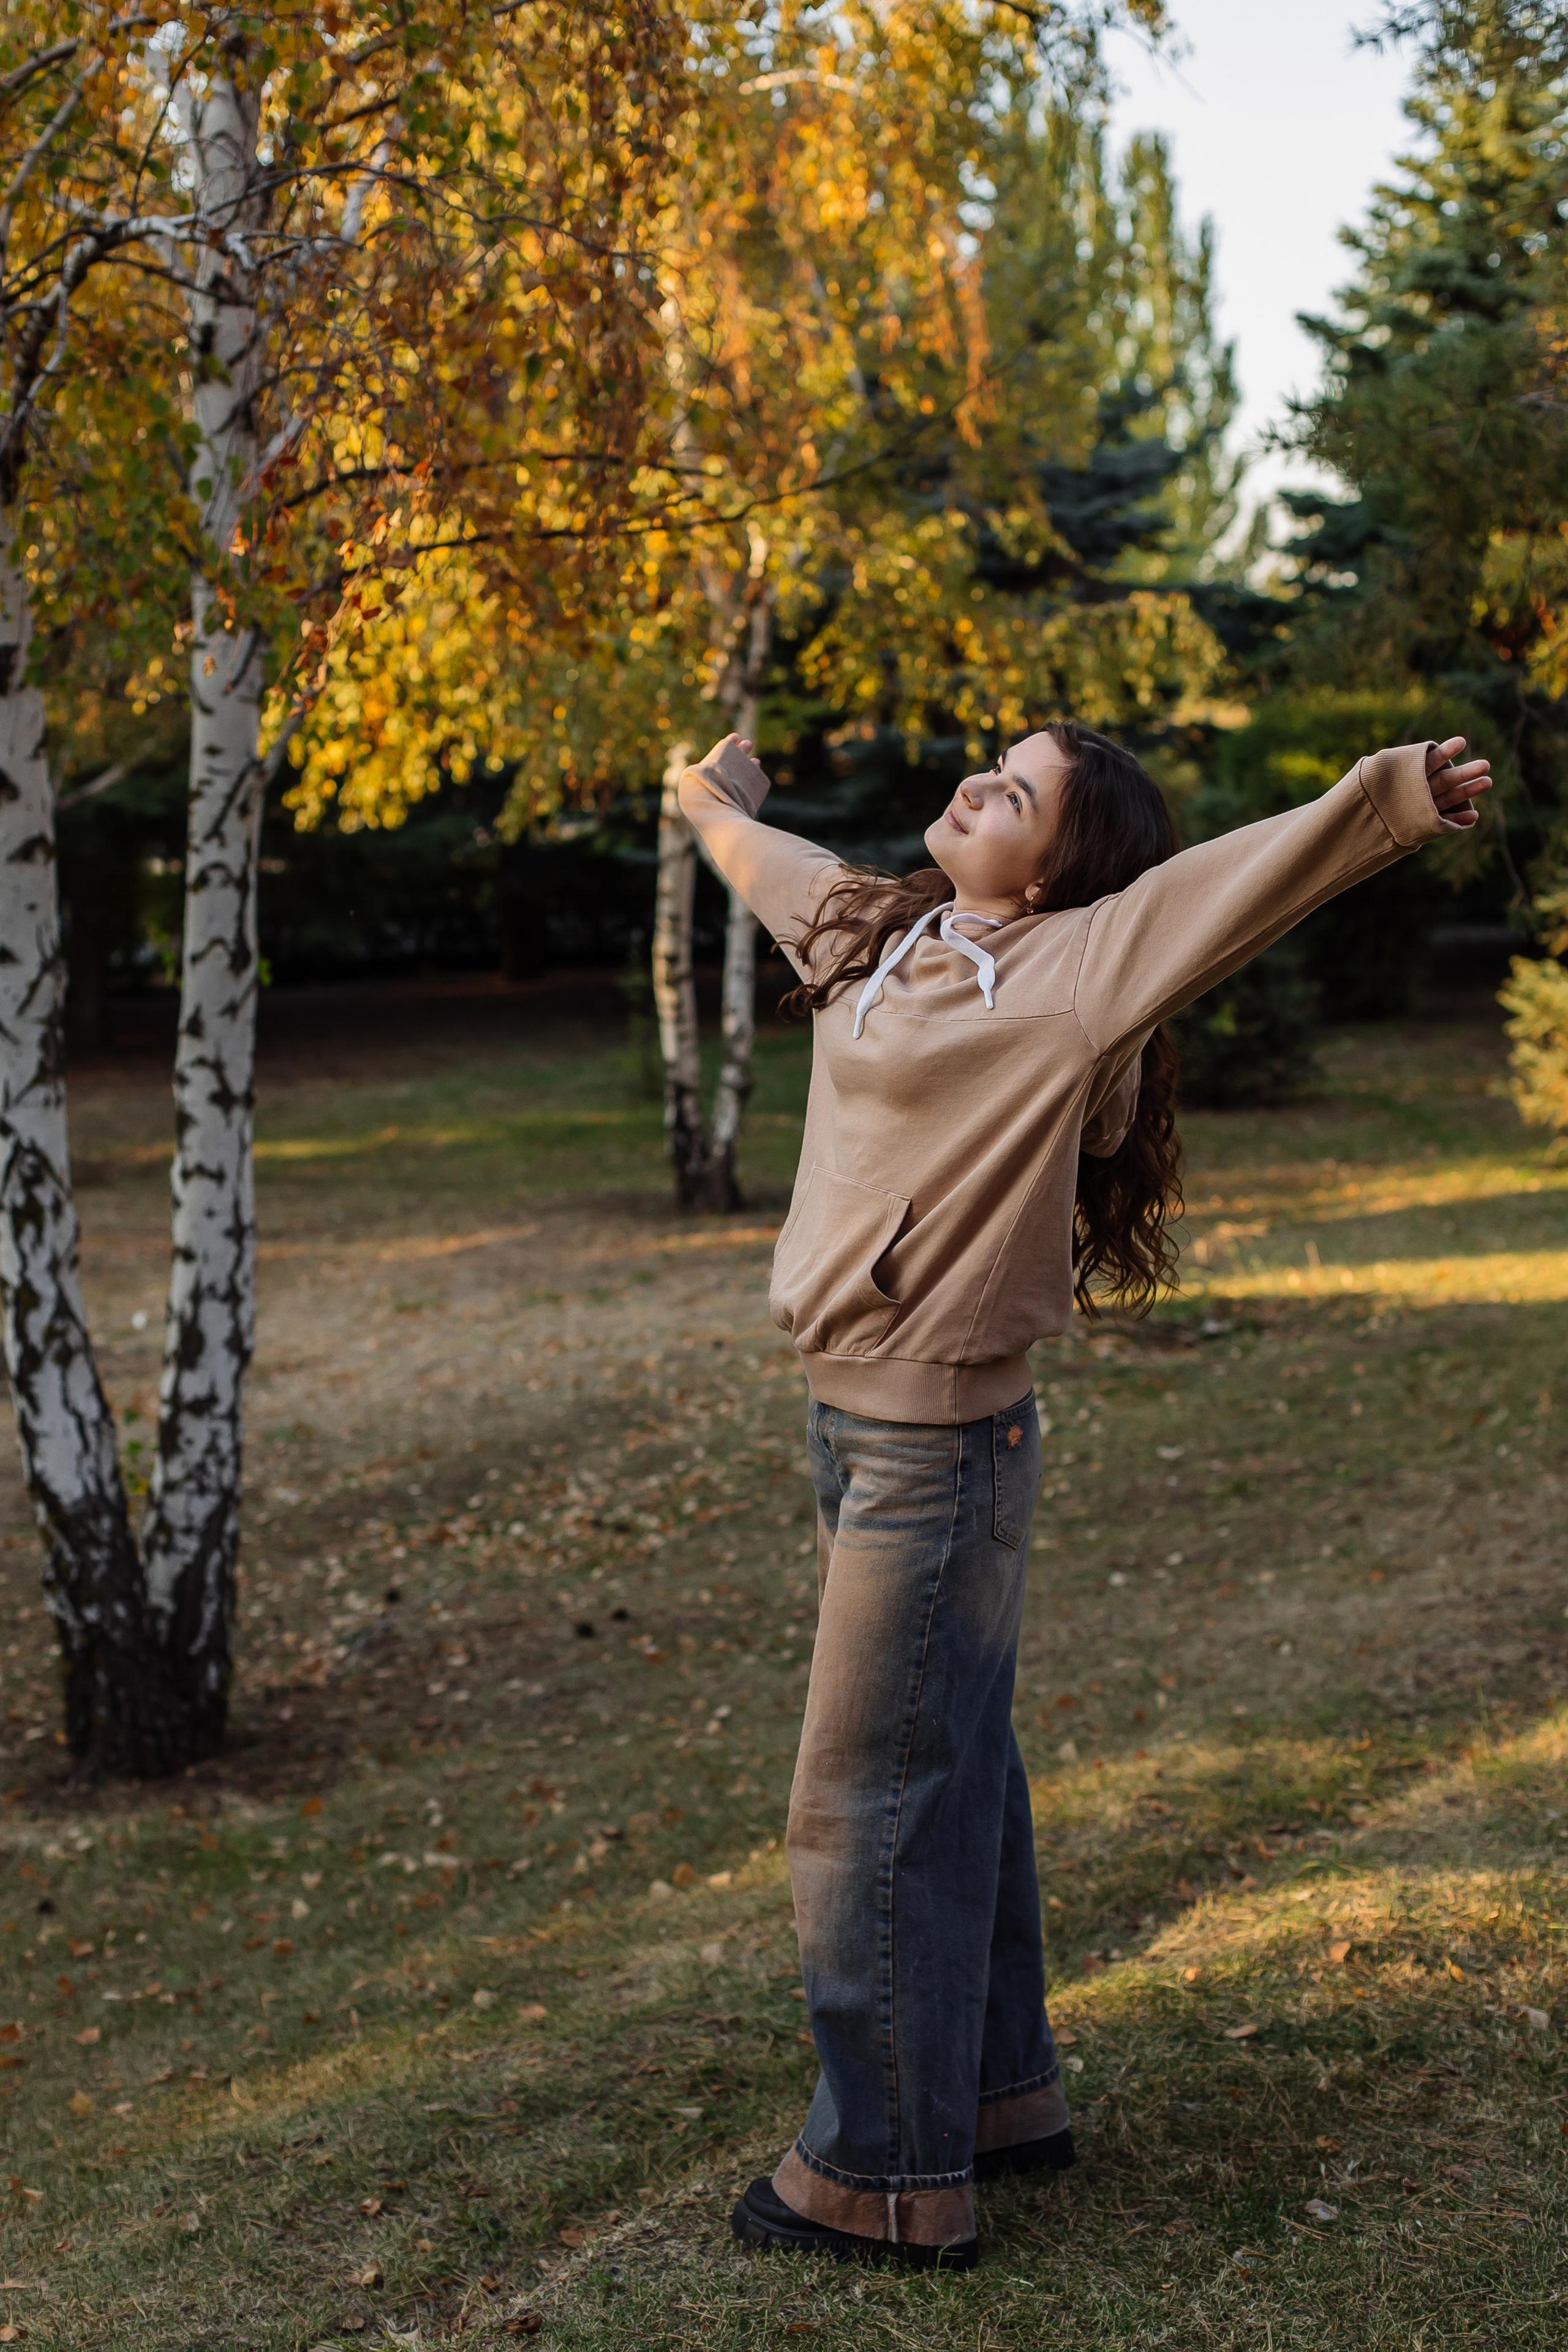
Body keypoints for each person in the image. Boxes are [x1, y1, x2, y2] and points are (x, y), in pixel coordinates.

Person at [677, 722, 1490, 2272]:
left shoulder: (1080, 968)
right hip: (851, 1424)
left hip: (937, 1448)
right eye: (989, 766)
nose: (976, 785)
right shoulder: (877, 930)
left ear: (1056, 869)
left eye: (1015, 791)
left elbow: (1240, 880)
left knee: (864, 1805)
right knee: (949, 1767)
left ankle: (884, 2176)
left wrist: (1385, 798)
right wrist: (707, 796)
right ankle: (993, 2096)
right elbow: (756, 858)